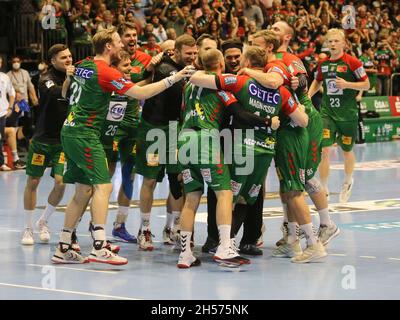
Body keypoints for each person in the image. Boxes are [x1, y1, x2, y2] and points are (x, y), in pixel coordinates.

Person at [51, 28, 195, 265]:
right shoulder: (104, 71)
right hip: (85, 134)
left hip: (70, 129)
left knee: (83, 190)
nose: (123, 47)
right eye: (118, 42)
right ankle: (99, 245)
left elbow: (66, 91)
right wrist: (175, 78)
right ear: (108, 46)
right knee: (103, 186)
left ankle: (64, 247)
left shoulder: (83, 64)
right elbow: (140, 92)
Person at [179, 48, 270, 268]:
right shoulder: (220, 86)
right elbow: (240, 114)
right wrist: (267, 122)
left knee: (191, 198)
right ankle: (225, 248)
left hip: (183, 139)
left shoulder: (189, 86)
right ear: (220, 62)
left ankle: (185, 254)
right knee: (225, 193)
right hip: (205, 139)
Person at [135, 34, 198, 250]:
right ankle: (144, 229)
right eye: (188, 53)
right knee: (150, 181)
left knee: (177, 179)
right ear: (176, 52)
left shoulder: (190, 69)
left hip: (175, 129)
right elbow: (173, 79)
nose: (192, 57)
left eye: (195, 53)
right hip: (153, 128)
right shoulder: (164, 68)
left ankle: (172, 227)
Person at [308, 28, 370, 204]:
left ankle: (348, 181)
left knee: (347, 150)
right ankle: (324, 188)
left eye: (336, 41)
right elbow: (317, 81)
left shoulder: (353, 62)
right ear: (327, 44)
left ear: (344, 43)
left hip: (348, 114)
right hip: (327, 113)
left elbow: (365, 85)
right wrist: (307, 97)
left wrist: (347, 84)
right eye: (330, 41)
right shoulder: (323, 64)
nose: (333, 44)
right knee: (324, 150)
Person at [21, 44, 73, 246]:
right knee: (33, 182)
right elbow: (57, 94)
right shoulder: (45, 79)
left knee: (61, 182)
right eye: (63, 58)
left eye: (69, 56)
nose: (68, 60)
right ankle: (28, 227)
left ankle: (44, 221)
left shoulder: (76, 75)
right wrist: (70, 79)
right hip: (42, 140)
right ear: (53, 61)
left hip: (63, 141)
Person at [0, 56, 15, 171]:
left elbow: (11, 93)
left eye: (0, 62)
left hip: (2, 112)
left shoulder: (5, 77)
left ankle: (1, 163)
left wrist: (10, 107)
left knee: (0, 137)